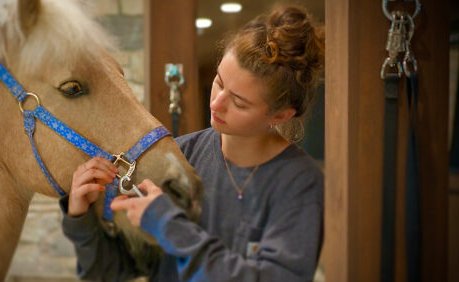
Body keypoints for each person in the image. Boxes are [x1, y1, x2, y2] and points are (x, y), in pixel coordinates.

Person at [60, 6, 325, 282]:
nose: (217, 103)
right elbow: (111, 272)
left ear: (280, 115)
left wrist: (169, 226)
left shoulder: (300, 183)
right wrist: (81, 219)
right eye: (219, 82)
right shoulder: (180, 157)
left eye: (239, 102)